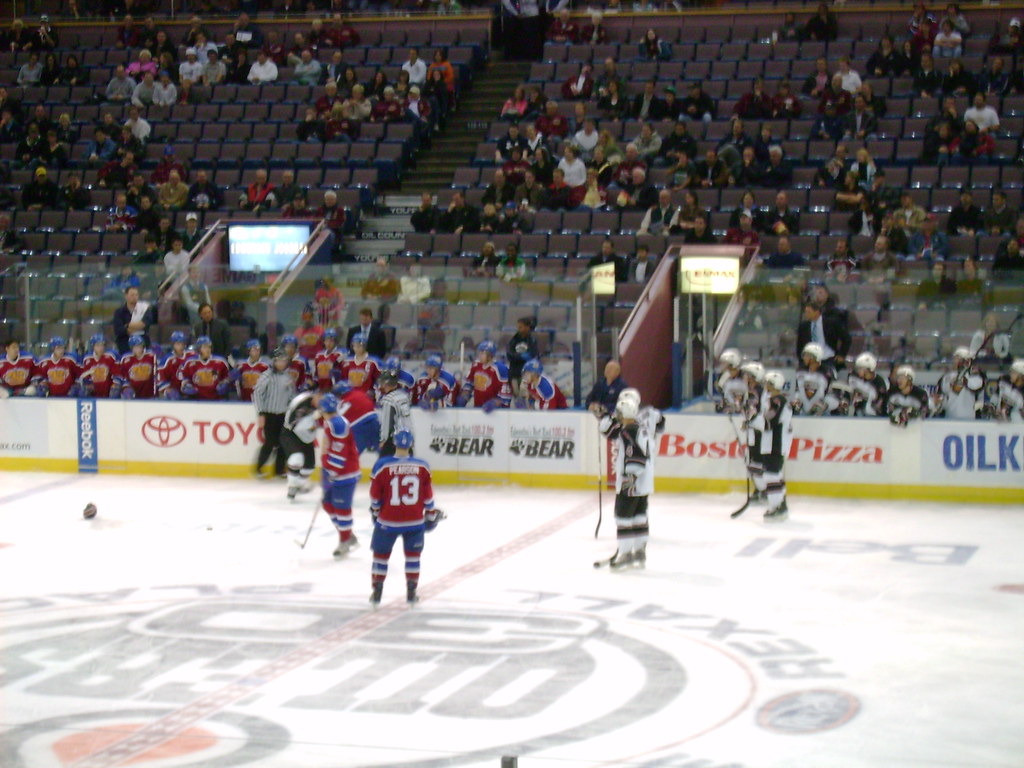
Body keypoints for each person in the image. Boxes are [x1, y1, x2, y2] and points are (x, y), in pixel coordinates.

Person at [368, 429, 440, 605]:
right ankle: (411, 591)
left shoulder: (382, 465)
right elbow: (428, 496)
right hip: (414, 521)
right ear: (411, 444)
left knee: (380, 556)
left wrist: (376, 512)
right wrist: (430, 514)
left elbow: (375, 496)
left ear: (394, 443)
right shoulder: (422, 466)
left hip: (387, 521)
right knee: (413, 557)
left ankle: (377, 591)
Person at [597, 388, 665, 569]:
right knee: (639, 516)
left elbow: (635, 459)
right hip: (645, 482)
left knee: (623, 517)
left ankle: (626, 553)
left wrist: (629, 479)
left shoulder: (628, 432)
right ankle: (639, 552)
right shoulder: (640, 428)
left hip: (633, 482)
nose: (616, 416)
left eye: (619, 413)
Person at [318, 392, 363, 558]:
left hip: (344, 474)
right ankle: (348, 536)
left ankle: (344, 541)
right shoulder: (331, 422)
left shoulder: (337, 424)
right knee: (327, 503)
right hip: (334, 471)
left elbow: (340, 452)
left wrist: (331, 470)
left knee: (342, 508)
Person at [750, 370, 793, 521]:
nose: (765, 386)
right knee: (775, 475)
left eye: (768, 383)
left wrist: (753, 419)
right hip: (773, 443)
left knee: (771, 475)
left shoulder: (777, 401)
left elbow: (769, 422)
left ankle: (777, 508)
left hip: (776, 444)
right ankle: (781, 505)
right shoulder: (775, 401)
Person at [252, 349, 296, 478]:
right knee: (270, 442)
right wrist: (260, 413)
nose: (282, 363)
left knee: (283, 443)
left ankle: (279, 469)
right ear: (274, 361)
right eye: (279, 361)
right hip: (269, 414)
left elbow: (291, 396)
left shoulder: (288, 378)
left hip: (283, 415)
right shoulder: (266, 376)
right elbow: (257, 393)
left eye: (284, 361)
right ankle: (259, 468)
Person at [280, 388, 320, 501]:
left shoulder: (322, 406)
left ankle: (299, 485)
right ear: (317, 395)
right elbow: (292, 423)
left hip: (306, 436)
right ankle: (292, 487)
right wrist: (312, 417)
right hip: (291, 433)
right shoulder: (302, 401)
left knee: (309, 466)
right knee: (296, 458)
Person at [797, 301, 851, 370]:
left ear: (817, 312)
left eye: (809, 312)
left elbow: (846, 338)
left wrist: (842, 354)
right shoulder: (803, 326)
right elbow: (800, 345)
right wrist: (802, 360)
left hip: (828, 358)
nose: (806, 314)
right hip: (811, 360)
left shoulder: (832, 323)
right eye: (805, 312)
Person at [935, 347, 984, 420]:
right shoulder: (946, 377)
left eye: (957, 358)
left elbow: (976, 386)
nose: (954, 361)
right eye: (955, 358)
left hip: (969, 418)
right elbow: (943, 394)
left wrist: (963, 378)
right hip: (950, 417)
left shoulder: (974, 375)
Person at [459, 340, 510, 410]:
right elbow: (469, 382)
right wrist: (465, 395)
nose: (480, 355)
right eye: (479, 353)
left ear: (490, 355)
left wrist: (495, 403)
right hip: (477, 407)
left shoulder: (500, 368)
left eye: (483, 353)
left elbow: (506, 392)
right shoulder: (476, 365)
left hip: (495, 411)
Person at [178, 336, 231, 401]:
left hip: (216, 400)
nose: (208, 350)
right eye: (205, 347)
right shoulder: (189, 362)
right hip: (196, 400)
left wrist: (225, 384)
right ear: (199, 349)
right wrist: (186, 384)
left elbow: (227, 377)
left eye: (209, 347)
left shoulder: (221, 361)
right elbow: (182, 376)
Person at [376, 370, 413, 456]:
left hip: (393, 440)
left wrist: (383, 440)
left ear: (386, 384)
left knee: (384, 465)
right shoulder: (403, 396)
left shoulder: (388, 400)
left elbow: (387, 422)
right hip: (407, 437)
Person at [113, 285, 156, 354]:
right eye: (132, 295)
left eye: (136, 295)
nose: (135, 297)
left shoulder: (144, 309)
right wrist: (136, 327)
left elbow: (145, 324)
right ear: (126, 296)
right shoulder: (119, 312)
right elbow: (118, 330)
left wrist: (127, 326)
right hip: (125, 343)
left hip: (143, 342)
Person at [847, 352, 889, 417]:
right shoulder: (853, 376)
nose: (858, 371)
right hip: (854, 412)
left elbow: (880, 405)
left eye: (860, 368)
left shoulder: (879, 382)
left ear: (868, 369)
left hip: (872, 415)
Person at [156, 331, 196, 400]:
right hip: (174, 390)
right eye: (178, 344)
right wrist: (167, 389)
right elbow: (160, 378)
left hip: (189, 388)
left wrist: (192, 384)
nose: (180, 346)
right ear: (173, 345)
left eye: (182, 344)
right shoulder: (167, 359)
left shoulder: (192, 356)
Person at [117, 335, 158, 399]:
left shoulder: (151, 356)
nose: (137, 349)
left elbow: (156, 373)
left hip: (148, 390)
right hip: (133, 389)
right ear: (131, 348)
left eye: (139, 346)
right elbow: (122, 375)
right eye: (135, 347)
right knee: (127, 393)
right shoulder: (125, 358)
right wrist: (126, 386)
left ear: (143, 346)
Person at [506, 316, 539, 397]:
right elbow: (509, 355)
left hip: (526, 374)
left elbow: (532, 355)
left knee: (527, 395)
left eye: (521, 327)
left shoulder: (532, 340)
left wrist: (518, 357)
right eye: (518, 327)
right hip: (514, 372)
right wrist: (521, 357)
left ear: (527, 327)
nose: (519, 329)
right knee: (516, 395)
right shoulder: (514, 340)